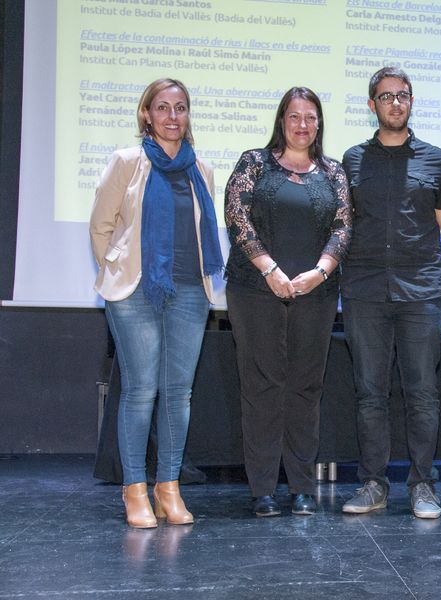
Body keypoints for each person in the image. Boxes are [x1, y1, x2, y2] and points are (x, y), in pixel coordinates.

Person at [90, 78, 224, 528]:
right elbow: (101, 226)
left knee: (178, 392)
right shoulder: (126, 162)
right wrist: (116, 271)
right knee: (141, 389)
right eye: (162, 108)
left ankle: (168, 487)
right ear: (146, 114)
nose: (172, 116)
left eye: (180, 108)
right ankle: (134, 488)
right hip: (135, 292)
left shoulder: (201, 169)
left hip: (190, 291)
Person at [224, 87, 352, 517]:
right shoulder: (254, 163)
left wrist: (321, 272)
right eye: (295, 116)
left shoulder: (333, 173)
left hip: (316, 294)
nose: (303, 125)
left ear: (319, 124)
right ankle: (262, 489)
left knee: (305, 388)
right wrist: (270, 270)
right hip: (255, 290)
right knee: (261, 387)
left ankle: (301, 487)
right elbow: (237, 218)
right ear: (282, 120)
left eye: (311, 117)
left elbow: (343, 228)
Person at [340, 67, 441, 519]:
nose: (395, 103)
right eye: (386, 97)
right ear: (372, 105)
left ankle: (423, 485)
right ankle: (374, 483)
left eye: (402, 95)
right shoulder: (351, 160)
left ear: (411, 101)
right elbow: (339, 226)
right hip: (364, 290)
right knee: (370, 394)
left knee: (422, 393)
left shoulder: (436, 159)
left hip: (421, 291)